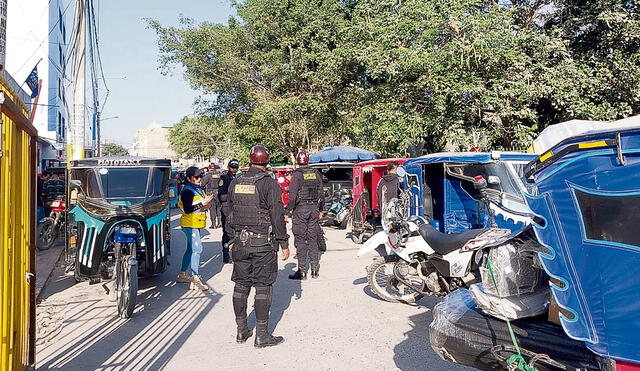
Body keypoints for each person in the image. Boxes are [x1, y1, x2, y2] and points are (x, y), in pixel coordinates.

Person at [227, 145, 290, 348]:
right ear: (267, 161)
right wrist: (284, 243)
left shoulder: (235, 182)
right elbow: (277, 215)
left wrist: (232, 237)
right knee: (263, 287)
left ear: (249, 159)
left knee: (241, 286)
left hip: (240, 243)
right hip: (262, 244)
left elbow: (229, 212)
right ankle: (262, 336)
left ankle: (241, 331)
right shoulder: (268, 184)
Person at [286, 151, 324, 280]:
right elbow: (321, 194)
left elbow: (292, 197)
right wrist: (321, 210)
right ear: (308, 160)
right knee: (312, 239)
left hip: (301, 210)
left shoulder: (297, 175)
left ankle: (302, 271)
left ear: (297, 161)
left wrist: (287, 211)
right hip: (314, 209)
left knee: (301, 241)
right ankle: (315, 270)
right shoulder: (316, 173)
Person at [176, 167, 216, 291]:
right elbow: (188, 209)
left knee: (190, 249)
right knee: (197, 249)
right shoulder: (188, 191)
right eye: (197, 177)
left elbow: (199, 207)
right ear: (189, 178)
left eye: (201, 176)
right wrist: (203, 204)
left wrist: (205, 205)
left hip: (196, 224)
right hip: (190, 224)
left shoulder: (198, 189)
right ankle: (195, 279)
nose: (200, 179)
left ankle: (182, 274)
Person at [218, 158, 240, 263]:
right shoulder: (224, 178)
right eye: (232, 167)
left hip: (238, 209)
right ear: (228, 167)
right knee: (227, 232)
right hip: (227, 208)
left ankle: (237, 254)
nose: (234, 169)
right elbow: (221, 196)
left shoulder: (240, 178)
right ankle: (226, 255)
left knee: (239, 232)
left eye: (236, 168)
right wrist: (233, 196)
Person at [202, 164, 222, 228]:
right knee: (219, 208)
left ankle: (213, 224)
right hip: (219, 193)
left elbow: (202, 183)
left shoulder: (208, 175)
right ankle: (219, 223)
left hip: (210, 194)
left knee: (212, 209)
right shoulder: (220, 174)